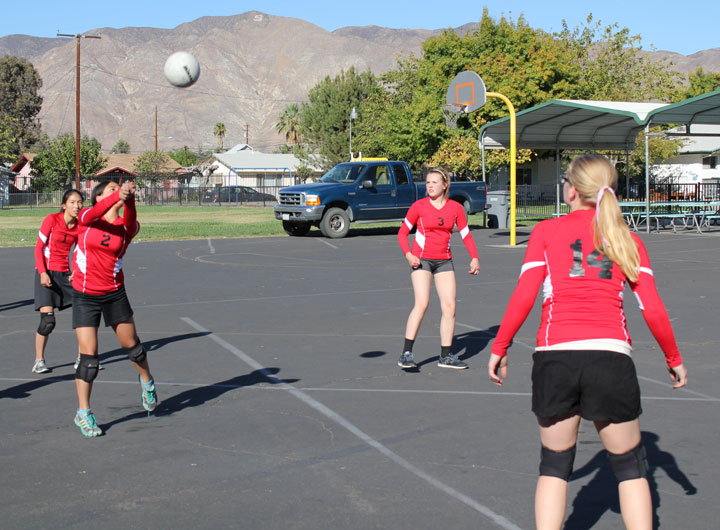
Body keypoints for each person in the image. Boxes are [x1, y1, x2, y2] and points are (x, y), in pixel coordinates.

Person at [487, 154, 688, 530]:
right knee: (630, 468)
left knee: (554, 466)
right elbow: (653, 308)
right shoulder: (626, 240)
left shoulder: (546, 232)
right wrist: (673, 357)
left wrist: (500, 347)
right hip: (609, 357)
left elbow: (524, 295)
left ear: (573, 189)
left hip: (555, 358)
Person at [71, 179, 158, 437]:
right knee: (89, 360)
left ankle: (147, 381)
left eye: (116, 188)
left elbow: (131, 221)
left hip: (114, 293)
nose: (114, 191)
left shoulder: (126, 228)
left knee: (134, 348)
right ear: (98, 197)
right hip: (85, 295)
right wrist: (117, 195)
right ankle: (83, 413)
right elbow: (94, 212)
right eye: (109, 189)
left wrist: (128, 199)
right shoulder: (86, 219)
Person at [397, 167, 480, 370]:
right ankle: (406, 353)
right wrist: (409, 255)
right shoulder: (419, 206)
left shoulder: (455, 208)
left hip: (444, 261)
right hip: (422, 260)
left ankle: (446, 356)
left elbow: (466, 234)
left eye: (434, 182)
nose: (430, 186)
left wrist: (475, 257)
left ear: (445, 185)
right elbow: (402, 233)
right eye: (428, 182)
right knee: (422, 304)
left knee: (450, 307)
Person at [32, 189, 84, 374]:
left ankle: (82, 358)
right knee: (48, 322)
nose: (77, 206)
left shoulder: (80, 227)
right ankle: (39, 360)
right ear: (64, 205)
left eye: (79, 202)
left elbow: (78, 253)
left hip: (65, 274)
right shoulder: (51, 220)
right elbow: (38, 249)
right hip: (46, 273)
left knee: (84, 315)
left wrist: (75, 271)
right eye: (72, 202)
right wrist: (42, 273)